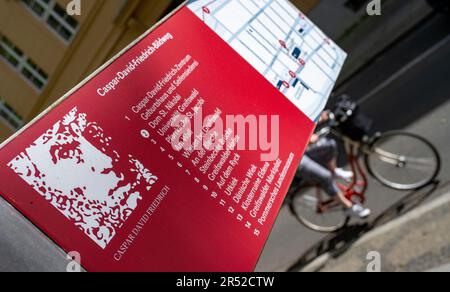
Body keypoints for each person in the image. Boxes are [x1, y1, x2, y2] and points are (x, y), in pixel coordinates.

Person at [296, 112, 371, 219]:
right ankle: (349, 207)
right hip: (292, 161)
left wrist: (318, 118)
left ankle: (334, 170)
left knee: (330, 144)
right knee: (325, 176)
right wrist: (306, 140)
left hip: (303, 149)